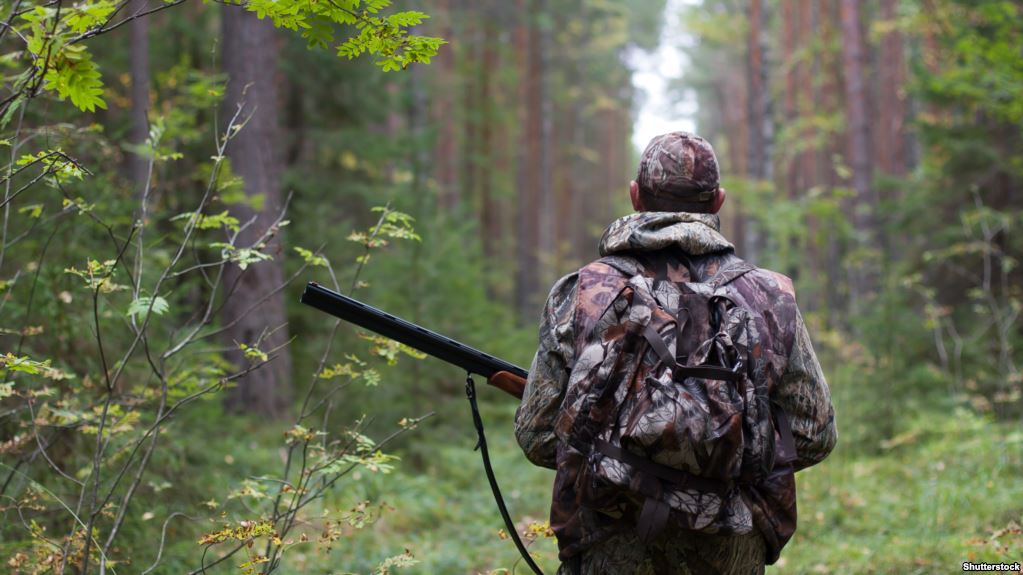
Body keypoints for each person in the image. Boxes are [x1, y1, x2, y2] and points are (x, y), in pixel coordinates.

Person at [513, 132, 837, 575]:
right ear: (718, 201)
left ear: (635, 196)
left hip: (609, 541)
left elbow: (537, 435)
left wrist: (624, 464)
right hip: (731, 546)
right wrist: (722, 466)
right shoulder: (769, 296)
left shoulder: (584, 291)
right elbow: (814, 433)